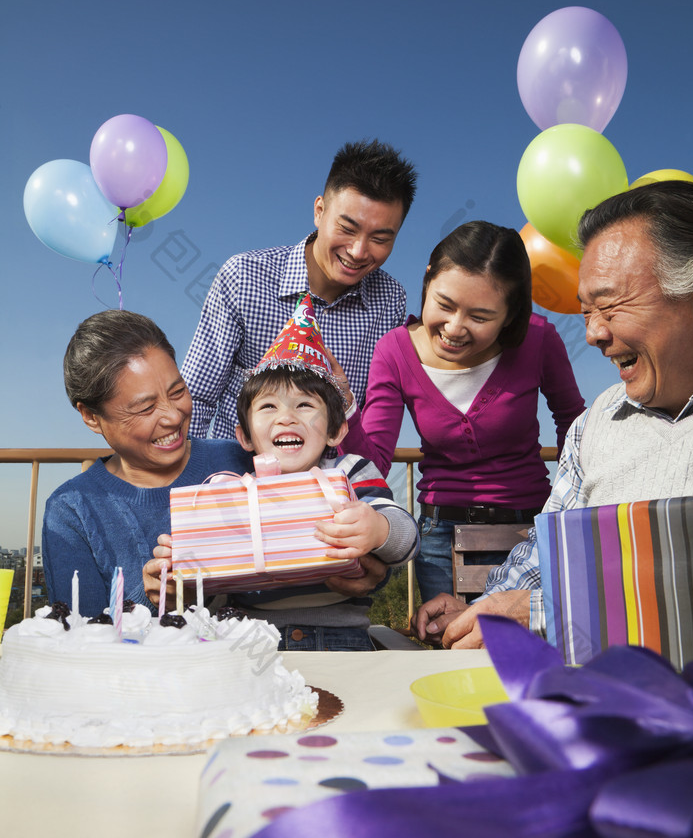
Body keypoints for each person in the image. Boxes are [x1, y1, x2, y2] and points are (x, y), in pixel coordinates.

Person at [412, 181, 693, 649]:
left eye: (609, 305)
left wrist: (546, 613)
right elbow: (546, 551)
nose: (593, 334)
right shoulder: (596, 422)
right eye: (586, 311)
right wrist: (485, 609)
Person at [145, 296, 420, 650]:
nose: (286, 417)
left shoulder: (351, 471)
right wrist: (183, 570)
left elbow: (408, 540)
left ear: (336, 431)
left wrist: (379, 529)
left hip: (341, 639)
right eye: (269, 406)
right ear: (243, 436)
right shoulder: (230, 491)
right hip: (249, 642)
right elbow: (216, 592)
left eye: (305, 405)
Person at [331, 221, 584, 601]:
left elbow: (574, 426)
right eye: (444, 305)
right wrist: (347, 405)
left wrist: (562, 512)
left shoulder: (539, 340)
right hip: (440, 540)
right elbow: (375, 463)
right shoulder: (394, 351)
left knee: (527, 649)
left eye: (479, 317)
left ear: (511, 315)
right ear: (427, 279)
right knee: (453, 651)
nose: (454, 328)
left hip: (531, 532)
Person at [181, 138, 418, 438]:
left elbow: (374, 417)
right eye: (347, 228)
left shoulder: (390, 300)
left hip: (331, 481)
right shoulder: (243, 277)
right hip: (240, 477)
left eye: (380, 239)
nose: (358, 251)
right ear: (319, 211)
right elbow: (197, 399)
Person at [42, 310, 252, 618]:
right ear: (90, 416)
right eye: (145, 407)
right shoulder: (70, 511)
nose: (173, 416)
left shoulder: (238, 460)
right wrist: (151, 601)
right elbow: (82, 641)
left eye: (178, 391)